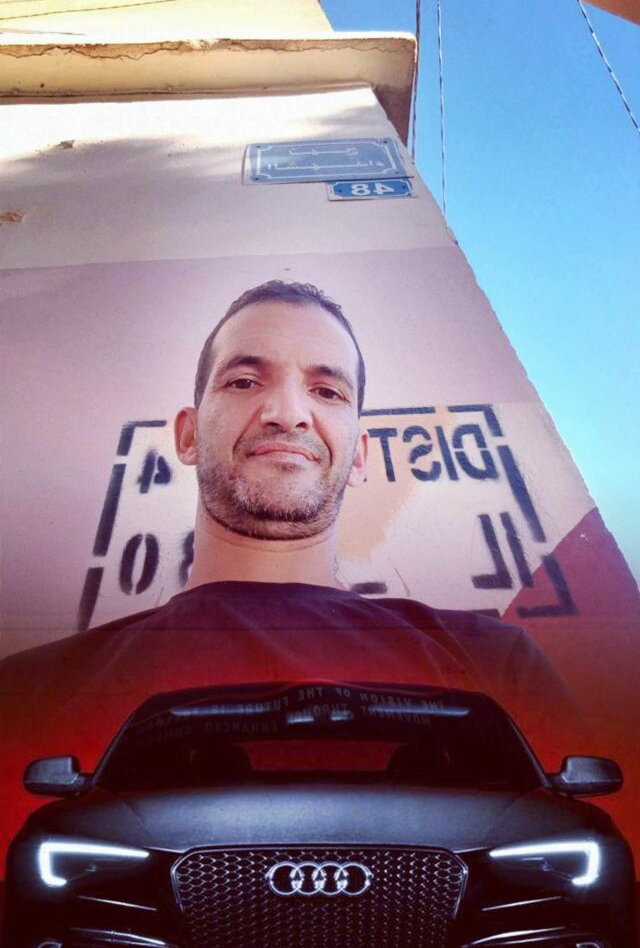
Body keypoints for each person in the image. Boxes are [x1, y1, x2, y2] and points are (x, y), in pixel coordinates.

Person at [0, 281, 586, 855]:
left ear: (359, 456)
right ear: (188, 435)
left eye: (327, 391)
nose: (287, 414)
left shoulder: (497, 663)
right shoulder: (26, 690)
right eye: (244, 381)